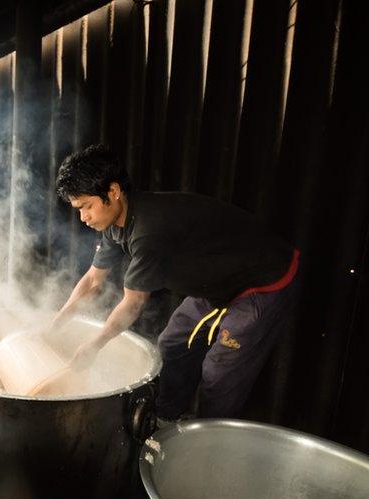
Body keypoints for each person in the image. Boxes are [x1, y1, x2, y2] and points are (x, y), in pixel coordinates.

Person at [51, 144, 300, 422]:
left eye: (86, 207)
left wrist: (93, 348)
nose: (83, 218)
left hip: (261, 282)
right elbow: (93, 281)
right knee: (172, 345)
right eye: (78, 209)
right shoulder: (113, 223)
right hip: (214, 282)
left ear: (113, 192)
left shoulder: (149, 231)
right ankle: (165, 420)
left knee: (219, 374)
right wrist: (54, 325)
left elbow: (132, 304)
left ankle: (207, 438)